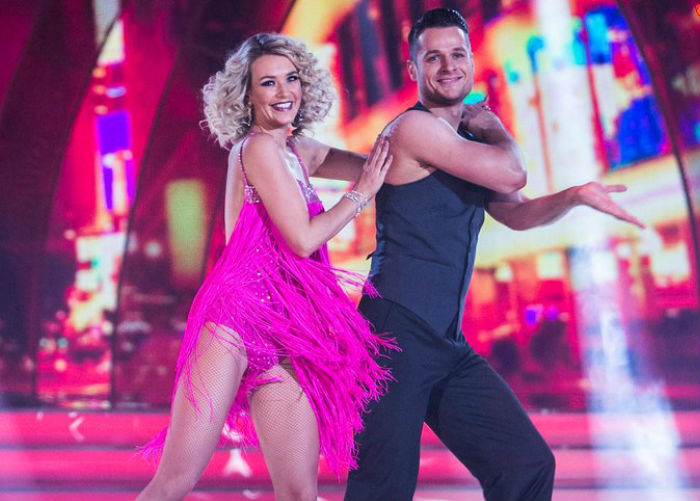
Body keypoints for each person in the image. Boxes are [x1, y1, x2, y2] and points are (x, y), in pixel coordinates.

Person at [344, 8, 644, 501]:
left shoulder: (465, 144)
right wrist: (495, 127)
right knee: (382, 490)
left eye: (458, 54)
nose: (448, 66)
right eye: (433, 57)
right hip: (393, 336)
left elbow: (516, 212)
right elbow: (513, 173)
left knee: (525, 466)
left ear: (471, 60)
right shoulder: (413, 129)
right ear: (413, 67)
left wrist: (574, 196)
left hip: (443, 341)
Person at [136, 33, 395, 501]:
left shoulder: (298, 151)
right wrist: (361, 195)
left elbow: (382, 165)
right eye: (268, 83)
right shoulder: (256, 148)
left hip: (283, 331)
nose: (283, 92)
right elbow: (303, 239)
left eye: (290, 79)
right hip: (234, 320)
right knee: (175, 480)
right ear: (248, 96)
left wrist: (439, 139)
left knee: (299, 493)